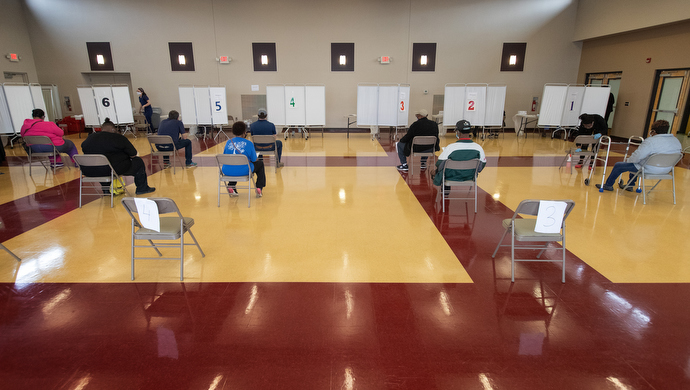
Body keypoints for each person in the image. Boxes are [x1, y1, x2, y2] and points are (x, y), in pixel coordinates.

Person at [596, 120, 682, 192]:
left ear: (653, 131)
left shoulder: (651, 141)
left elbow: (638, 156)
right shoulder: (676, 141)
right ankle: (630, 185)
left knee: (620, 165)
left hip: (650, 168)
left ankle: (608, 185)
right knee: (637, 163)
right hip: (667, 169)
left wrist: (628, 161)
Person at [81, 118, 155, 195]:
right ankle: (142, 188)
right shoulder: (118, 138)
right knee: (138, 161)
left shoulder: (90, 138)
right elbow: (133, 154)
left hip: (89, 170)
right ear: (113, 129)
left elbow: (84, 149)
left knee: (101, 165)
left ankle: (106, 189)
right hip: (111, 169)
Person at [433, 120, 487, 187]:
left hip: (451, 177)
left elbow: (439, 164)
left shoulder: (451, 148)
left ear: (458, 132)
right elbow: (480, 167)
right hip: (469, 177)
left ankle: (445, 189)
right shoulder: (478, 148)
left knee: (438, 170)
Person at [222, 121, 266, 198]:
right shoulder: (249, 143)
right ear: (244, 132)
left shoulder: (228, 142)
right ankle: (259, 187)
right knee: (260, 164)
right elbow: (254, 160)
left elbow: (225, 156)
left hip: (227, 170)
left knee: (234, 163)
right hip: (244, 170)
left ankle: (231, 185)